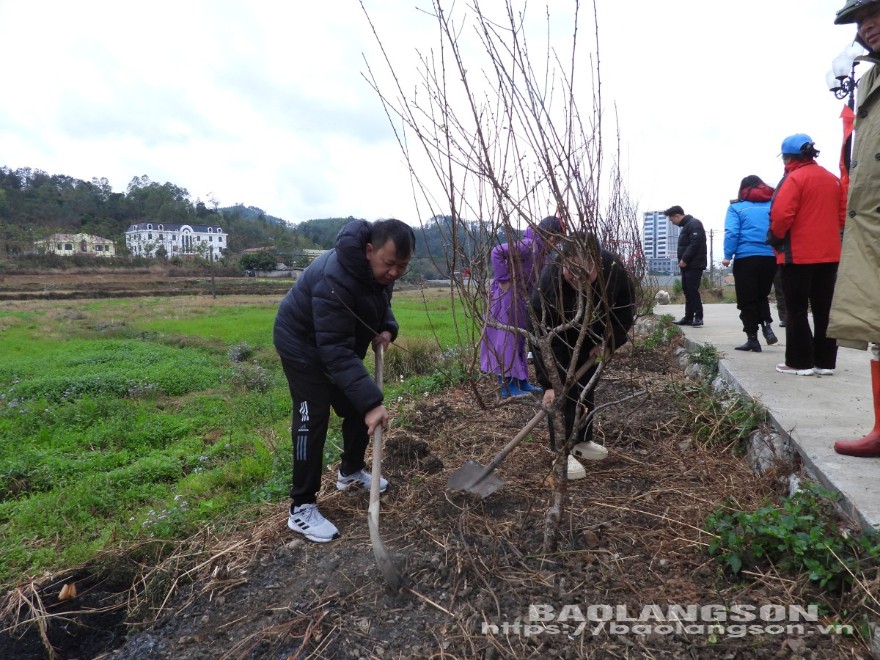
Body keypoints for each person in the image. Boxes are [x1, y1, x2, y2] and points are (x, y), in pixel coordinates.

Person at [273, 218, 416, 542]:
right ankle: (301, 508)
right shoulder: (334, 278)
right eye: (390, 264)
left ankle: (350, 472)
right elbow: (334, 350)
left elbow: (379, 302)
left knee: (355, 407)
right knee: (314, 417)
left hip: (333, 345)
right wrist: (372, 404)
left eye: (402, 267)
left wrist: (387, 327)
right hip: (301, 345)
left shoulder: (379, 271)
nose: (394, 273)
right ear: (369, 251)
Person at [528, 233, 636, 479]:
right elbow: (539, 332)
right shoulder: (550, 278)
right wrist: (548, 382)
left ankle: (581, 440)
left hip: (593, 334)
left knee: (587, 386)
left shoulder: (613, 270)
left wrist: (608, 343)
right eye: (571, 272)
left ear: (598, 263)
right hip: (557, 336)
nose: (577, 280)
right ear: (563, 261)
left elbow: (624, 312)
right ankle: (561, 450)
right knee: (562, 392)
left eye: (585, 274)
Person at [829, 0, 880, 456]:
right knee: (877, 329)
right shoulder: (868, 79)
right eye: (862, 19)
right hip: (871, 221)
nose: (870, 24)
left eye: (878, 12)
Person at [768, 134, 846, 376]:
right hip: (830, 255)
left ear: (788, 157)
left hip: (797, 255)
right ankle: (824, 363)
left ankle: (799, 363)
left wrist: (774, 238)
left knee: (797, 309)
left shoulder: (793, 179)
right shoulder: (833, 180)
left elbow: (781, 216)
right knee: (823, 310)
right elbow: (842, 216)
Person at [480, 216, 562, 398]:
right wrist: (504, 280)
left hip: (521, 297)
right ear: (550, 235)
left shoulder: (543, 253)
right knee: (507, 337)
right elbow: (497, 252)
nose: (556, 244)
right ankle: (507, 387)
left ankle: (521, 381)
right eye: (556, 239)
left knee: (520, 337)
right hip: (508, 296)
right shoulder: (528, 245)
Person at [721, 175, 779, 352]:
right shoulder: (773, 205)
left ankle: (752, 338)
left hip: (746, 257)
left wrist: (727, 255)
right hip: (770, 256)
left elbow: (732, 232)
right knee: (762, 295)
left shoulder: (736, 207)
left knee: (747, 299)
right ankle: (767, 327)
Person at [664, 205, 707, 327]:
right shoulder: (686, 226)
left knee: (693, 290)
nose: (672, 222)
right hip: (687, 265)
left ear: (677, 216)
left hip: (694, 264)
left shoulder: (694, 224)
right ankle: (688, 317)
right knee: (687, 290)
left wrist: (685, 259)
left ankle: (698, 317)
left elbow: (695, 243)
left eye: (672, 219)